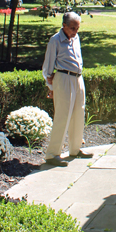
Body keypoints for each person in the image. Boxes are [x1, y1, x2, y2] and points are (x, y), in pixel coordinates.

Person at [42, 11, 91, 166]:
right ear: (63, 26)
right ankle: (52, 154)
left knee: (79, 112)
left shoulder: (76, 38)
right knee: (63, 115)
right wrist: (51, 87)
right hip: (63, 78)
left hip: (78, 78)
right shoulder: (55, 40)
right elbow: (47, 68)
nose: (75, 31)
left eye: (77, 28)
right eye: (72, 28)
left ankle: (75, 149)